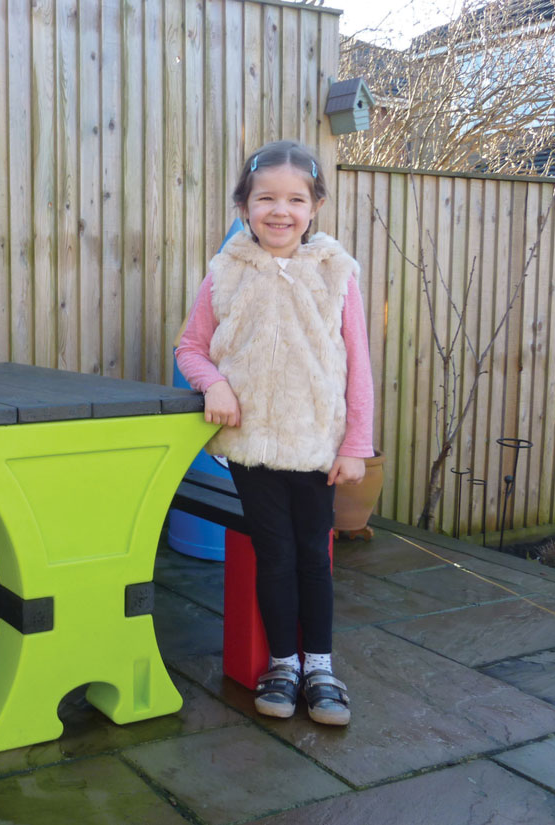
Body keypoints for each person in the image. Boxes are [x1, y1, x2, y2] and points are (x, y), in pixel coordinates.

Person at [176, 140, 374, 726]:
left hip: (316, 446)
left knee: (314, 554)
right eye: (265, 198)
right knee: (275, 554)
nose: (280, 211)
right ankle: (283, 663)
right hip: (252, 447)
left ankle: (320, 667)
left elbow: (359, 365)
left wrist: (355, 445)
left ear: (315, 207)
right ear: (244, 206)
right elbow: (190, 347)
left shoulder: (337, 273)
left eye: (295, 199)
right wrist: (214, 384)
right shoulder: (225, 272)